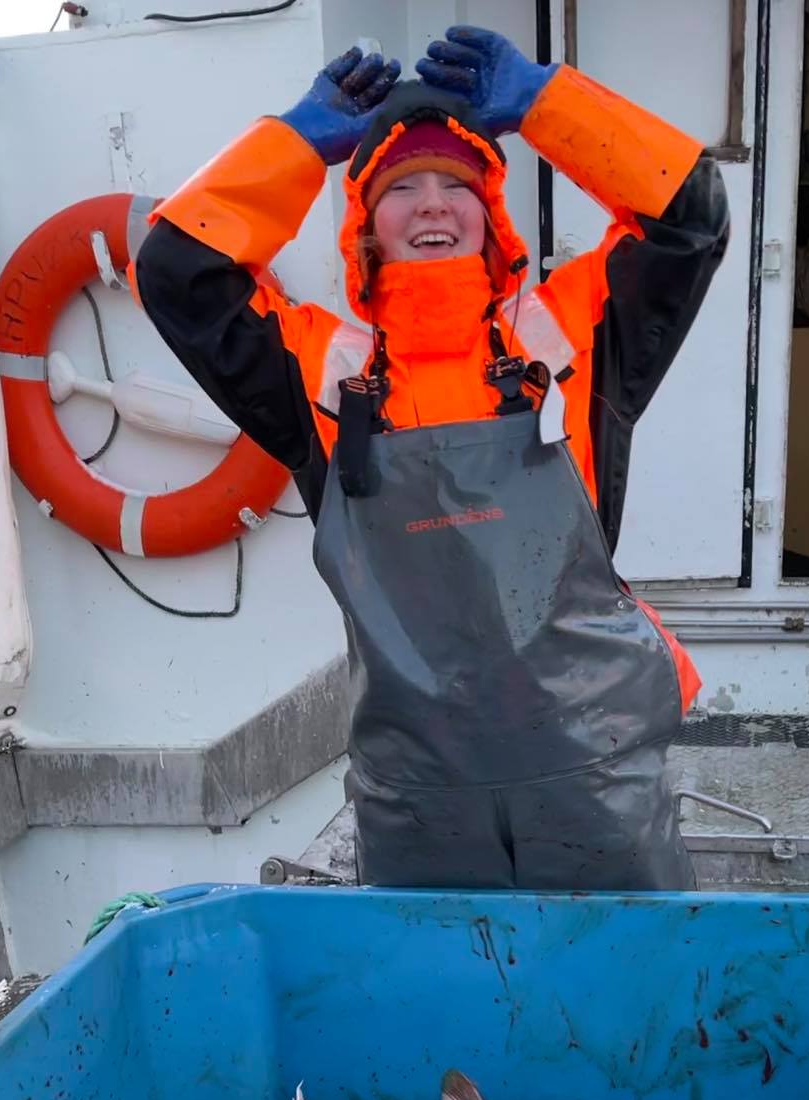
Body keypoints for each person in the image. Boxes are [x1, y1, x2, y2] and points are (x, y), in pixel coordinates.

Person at [136, 26, 729, 888]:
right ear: (365, 226)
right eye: (401, 188)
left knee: (625, 969)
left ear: (490, 216)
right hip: (419, 799)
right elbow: (177, 269)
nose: (432, 207)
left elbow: (689, 217)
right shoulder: (319, 371)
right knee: (436, 974)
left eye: (457, 186)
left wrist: (547, 105)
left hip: (598, 776)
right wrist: (295, 145)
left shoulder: (571, 337)